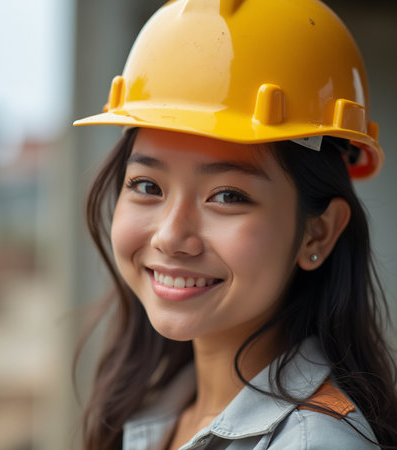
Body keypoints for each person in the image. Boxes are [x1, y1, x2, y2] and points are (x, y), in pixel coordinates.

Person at [74, 0, 397, 448]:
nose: (170, 236)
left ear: (317, 231)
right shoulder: (156, 407)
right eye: (147, 186)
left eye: (228, 196)